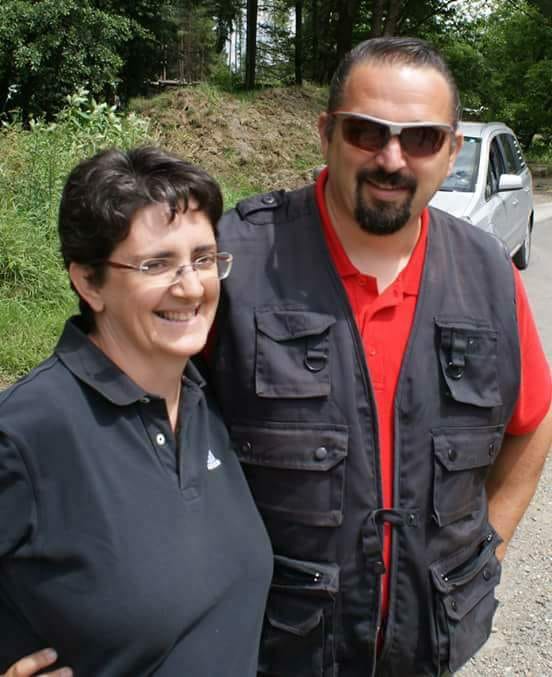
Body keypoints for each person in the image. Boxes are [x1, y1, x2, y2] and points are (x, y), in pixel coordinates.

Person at [210, 37, 552, 676]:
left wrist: (488, 550)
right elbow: (124, 425)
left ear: (450, 150)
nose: (391, 159)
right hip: (265, 648)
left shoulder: (487, 272)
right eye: (367, 132)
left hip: (428, 645)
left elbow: (532, 421)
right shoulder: (232, 260)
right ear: (326, 134)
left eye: (421, 138)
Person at [0, 147, 272, 676]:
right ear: (89, 282)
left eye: (203, 258)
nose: (190, 287)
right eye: (156, 264)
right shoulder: (27, 434)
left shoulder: (205, 401)